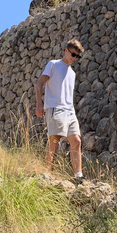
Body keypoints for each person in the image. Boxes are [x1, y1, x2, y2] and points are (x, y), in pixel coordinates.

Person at [35, 38, 85, 181]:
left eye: (77, 56)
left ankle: (78, 176)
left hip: (70, 110)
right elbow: (39, 84)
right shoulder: (54, 65)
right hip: (55, 108)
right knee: (54, 140)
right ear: (66, 51)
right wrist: (39, 104)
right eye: (73, 54)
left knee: (76, 140)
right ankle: (48, 174)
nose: (74, 58)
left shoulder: (72, 73)